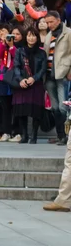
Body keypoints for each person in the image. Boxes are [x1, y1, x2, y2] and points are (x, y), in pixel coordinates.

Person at [11, 27, 47, 144]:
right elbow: (16, 66)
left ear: (37, 37)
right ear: (25, 37)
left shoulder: (42, 52)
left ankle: (34, 135)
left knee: (36, 111)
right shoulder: (20, 51)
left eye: (34, 36)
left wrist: (34, 78)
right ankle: (24, 135)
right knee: (22, 110)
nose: (31, 38)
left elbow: (43, 69)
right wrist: (21, 79)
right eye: (29, 35)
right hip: (22, 84)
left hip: (36, 84)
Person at [43, 11, 71, 146]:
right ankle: (61, 136)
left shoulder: (68, 33)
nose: (49, 25)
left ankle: (66, 135)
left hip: (63, 73)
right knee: (54, 107)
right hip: (49, 75)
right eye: (47, 22)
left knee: (62, 107)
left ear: (58, 20)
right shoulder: (49, 36)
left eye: (51, 22)